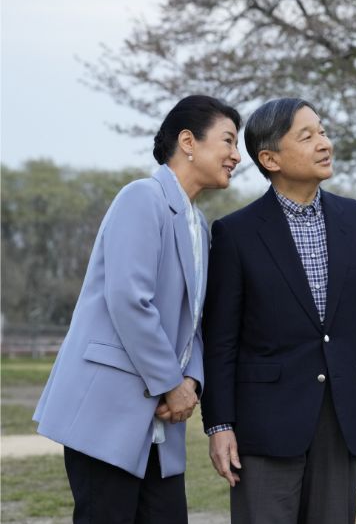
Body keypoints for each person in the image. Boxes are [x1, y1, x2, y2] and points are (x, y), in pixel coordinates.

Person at [200, 97, 356, 524]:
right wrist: (219, 424)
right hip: (265, 423)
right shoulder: (235, 233)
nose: (324, 143)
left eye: (322, 131)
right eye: (307, 135)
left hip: (344, 416)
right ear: (270, 158)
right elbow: (221, 340)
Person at [33, 95, 242, 523]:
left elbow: (193, 324)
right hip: (108, 411)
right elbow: (130, 301)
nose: (236, 156)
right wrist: (171, 383)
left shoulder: (198, 225)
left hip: (162, 423)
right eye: (228, 141)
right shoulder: (141, 198)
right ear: (188, 141)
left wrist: (192, 381)